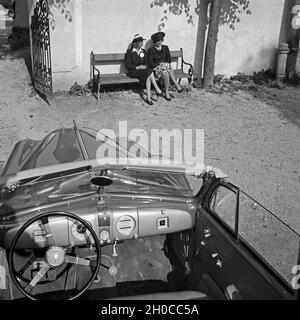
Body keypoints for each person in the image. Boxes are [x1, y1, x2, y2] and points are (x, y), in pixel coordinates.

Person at [125, 34, 163, 105]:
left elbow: (147, 62)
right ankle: (157, 89)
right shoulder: (129, 52)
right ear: (135, 43)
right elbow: (128, 65)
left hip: (144, 71)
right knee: (149, 72)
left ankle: (148, 97)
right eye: (140, 42)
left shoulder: (143, 51)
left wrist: (144, 66)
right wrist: (138, 67)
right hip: (134, 71)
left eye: (142, 42)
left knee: (148, 74)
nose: (141, 44)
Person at [147, 32, 183, 101]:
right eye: (157, 41)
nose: (159, 42)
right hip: (157, 69)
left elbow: (169, 59)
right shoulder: (150, 50)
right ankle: (175, 86)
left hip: (166, 67)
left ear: (162, 40)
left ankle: (168, 90)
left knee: (167, 70)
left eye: (160, 40)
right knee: (166, 72)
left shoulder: (165, 48)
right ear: (154, 42)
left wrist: (164, 63)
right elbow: (150, 63)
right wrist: (160, 63)